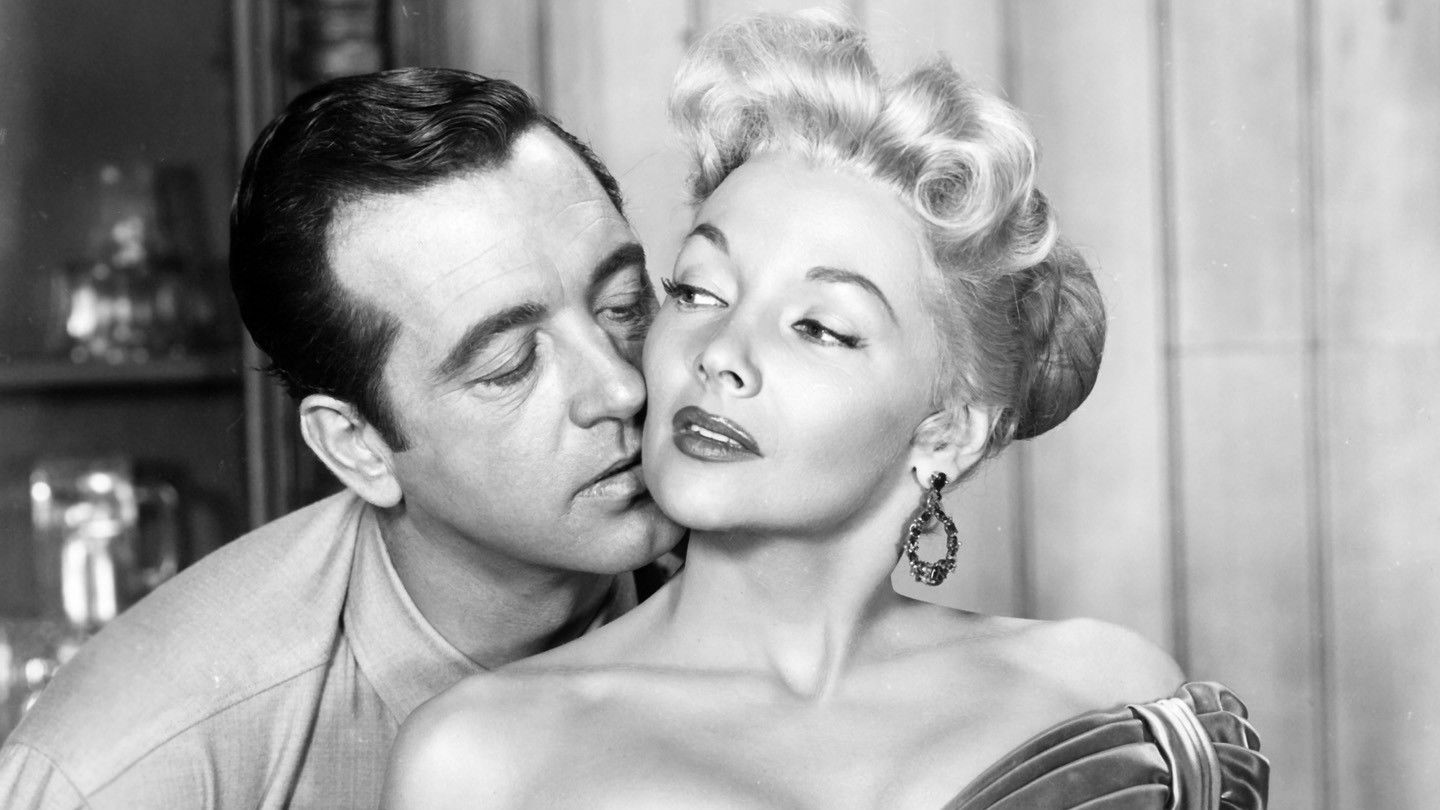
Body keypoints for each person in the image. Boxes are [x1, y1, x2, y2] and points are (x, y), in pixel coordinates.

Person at [383, 11, 1269, 809]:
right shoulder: (479, 758)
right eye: (697, 291)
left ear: (947, 430)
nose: (721, 353)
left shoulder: (1103, 696)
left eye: (819, 327)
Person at [0, 68, 683, 808]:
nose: (622, 388)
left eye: (624, 304)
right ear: (358, 446)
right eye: (509, 365)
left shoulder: (749, 587)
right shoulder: (137, 769)